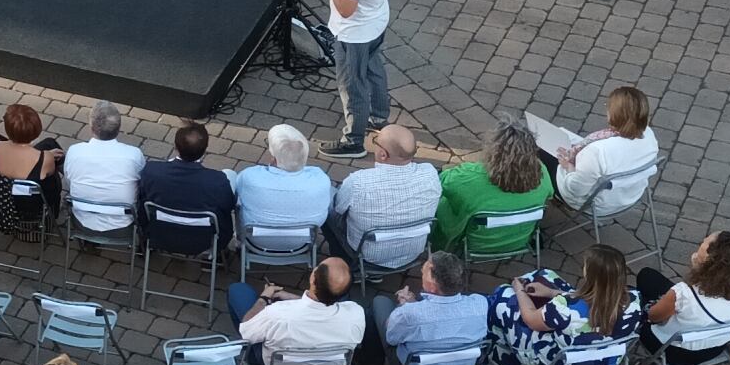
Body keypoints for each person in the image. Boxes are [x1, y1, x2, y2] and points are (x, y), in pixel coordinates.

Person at [484, 246, 640, 365]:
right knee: (545, 275)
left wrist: (519, 291)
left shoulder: (566, 307)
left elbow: (530, 319)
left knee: (503, 299)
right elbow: (584, 300)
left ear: (590, 274)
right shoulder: (635, 300)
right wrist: (551, 293)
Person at [315, 0, 399, 158]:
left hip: (354, 34)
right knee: (374, 70)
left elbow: (345, 9)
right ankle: (379, 117)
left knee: (353, 85)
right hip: (376, 23)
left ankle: (353, 141)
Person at [358, 248, 488, 365]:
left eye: (424, 270)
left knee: (379, 302)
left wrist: (402, 307)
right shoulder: (480, 304)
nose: (421, 271)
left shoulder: (408, 314)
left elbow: (392, 339)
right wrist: (413, 305)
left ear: (432, 284)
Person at [328, 125, 441, 274]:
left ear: (383, 154)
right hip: (412, 252)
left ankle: (344, 265)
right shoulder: (430, 174)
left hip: (368, 255)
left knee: (329, 201)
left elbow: (338, 208)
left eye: (375, 141)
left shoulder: (358, 182)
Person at [431, 121, 554, 255]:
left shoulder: (466, 176)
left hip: (474, 243)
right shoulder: (543, 173)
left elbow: (440, 181)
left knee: (441, 201)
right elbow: (550, 194)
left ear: (493, 151)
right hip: (518, 241)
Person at [228, 257, 364, 365]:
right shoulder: (356, 314)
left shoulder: (277, 314)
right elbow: (319, 308)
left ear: (313, 278)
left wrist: (263, 298)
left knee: (238, 290)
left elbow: (246, 331)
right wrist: (293, 298)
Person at [636, 230, 730, 362]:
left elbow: (653, 317)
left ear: (708, 263)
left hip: (674, 352)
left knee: (645, 279)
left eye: (705, 242)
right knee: (650, 278)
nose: (702, 241)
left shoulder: (684, 293)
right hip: (715, 348)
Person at [548, 84, 661, 217]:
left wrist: (568, 166)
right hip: (631, 194)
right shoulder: (648, 134)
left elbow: (576, 189)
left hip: (599, 205)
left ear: (614, 114)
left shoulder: (597, 151)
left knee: (540, 153)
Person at [139, 119, 236, 254]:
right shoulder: (217, 181)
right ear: (205, 149)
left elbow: (141, 197)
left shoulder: (152, 171)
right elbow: (228, 206)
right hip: (204, 242)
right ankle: (218, 256)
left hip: (159, 235)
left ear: (175, 147)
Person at [233, 124, 333, 237]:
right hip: (302, 242)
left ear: (274, 159)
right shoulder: (320, 179)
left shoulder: (249, 176)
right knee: (331, 192)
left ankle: (239, 238)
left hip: (256, 239)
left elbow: (237, 192)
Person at [61, 99, 145, 231]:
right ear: (118, 129)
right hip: (122, 224)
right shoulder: (134, 155)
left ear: (91, 128)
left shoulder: (74, 151)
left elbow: (69, 181)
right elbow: (141, 184)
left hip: (82, 220)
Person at [0, 102, 63, 232]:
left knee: (48, 143)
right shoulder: (45, 158)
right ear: (36, 130)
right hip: (33, 204)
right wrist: (48, 155)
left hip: (6, 200)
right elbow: (51, 172)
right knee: (52, 168)